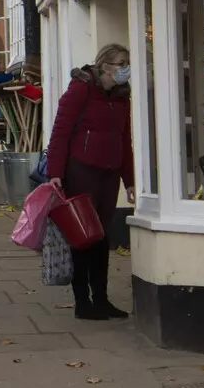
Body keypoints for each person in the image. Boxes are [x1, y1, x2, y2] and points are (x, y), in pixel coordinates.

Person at [46, 43, 136, 321]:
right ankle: (82, 300)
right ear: (105, 65)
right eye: (121, 63)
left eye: (127, 63)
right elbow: (60, 132)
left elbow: (124, 140)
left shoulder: (122, 96)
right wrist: (55, 173)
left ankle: (102, 298)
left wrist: (129, 181)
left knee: (102, 236)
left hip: (109, 173)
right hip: (81, 169)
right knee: (83, 235)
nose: (125, 69)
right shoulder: (81, 88)